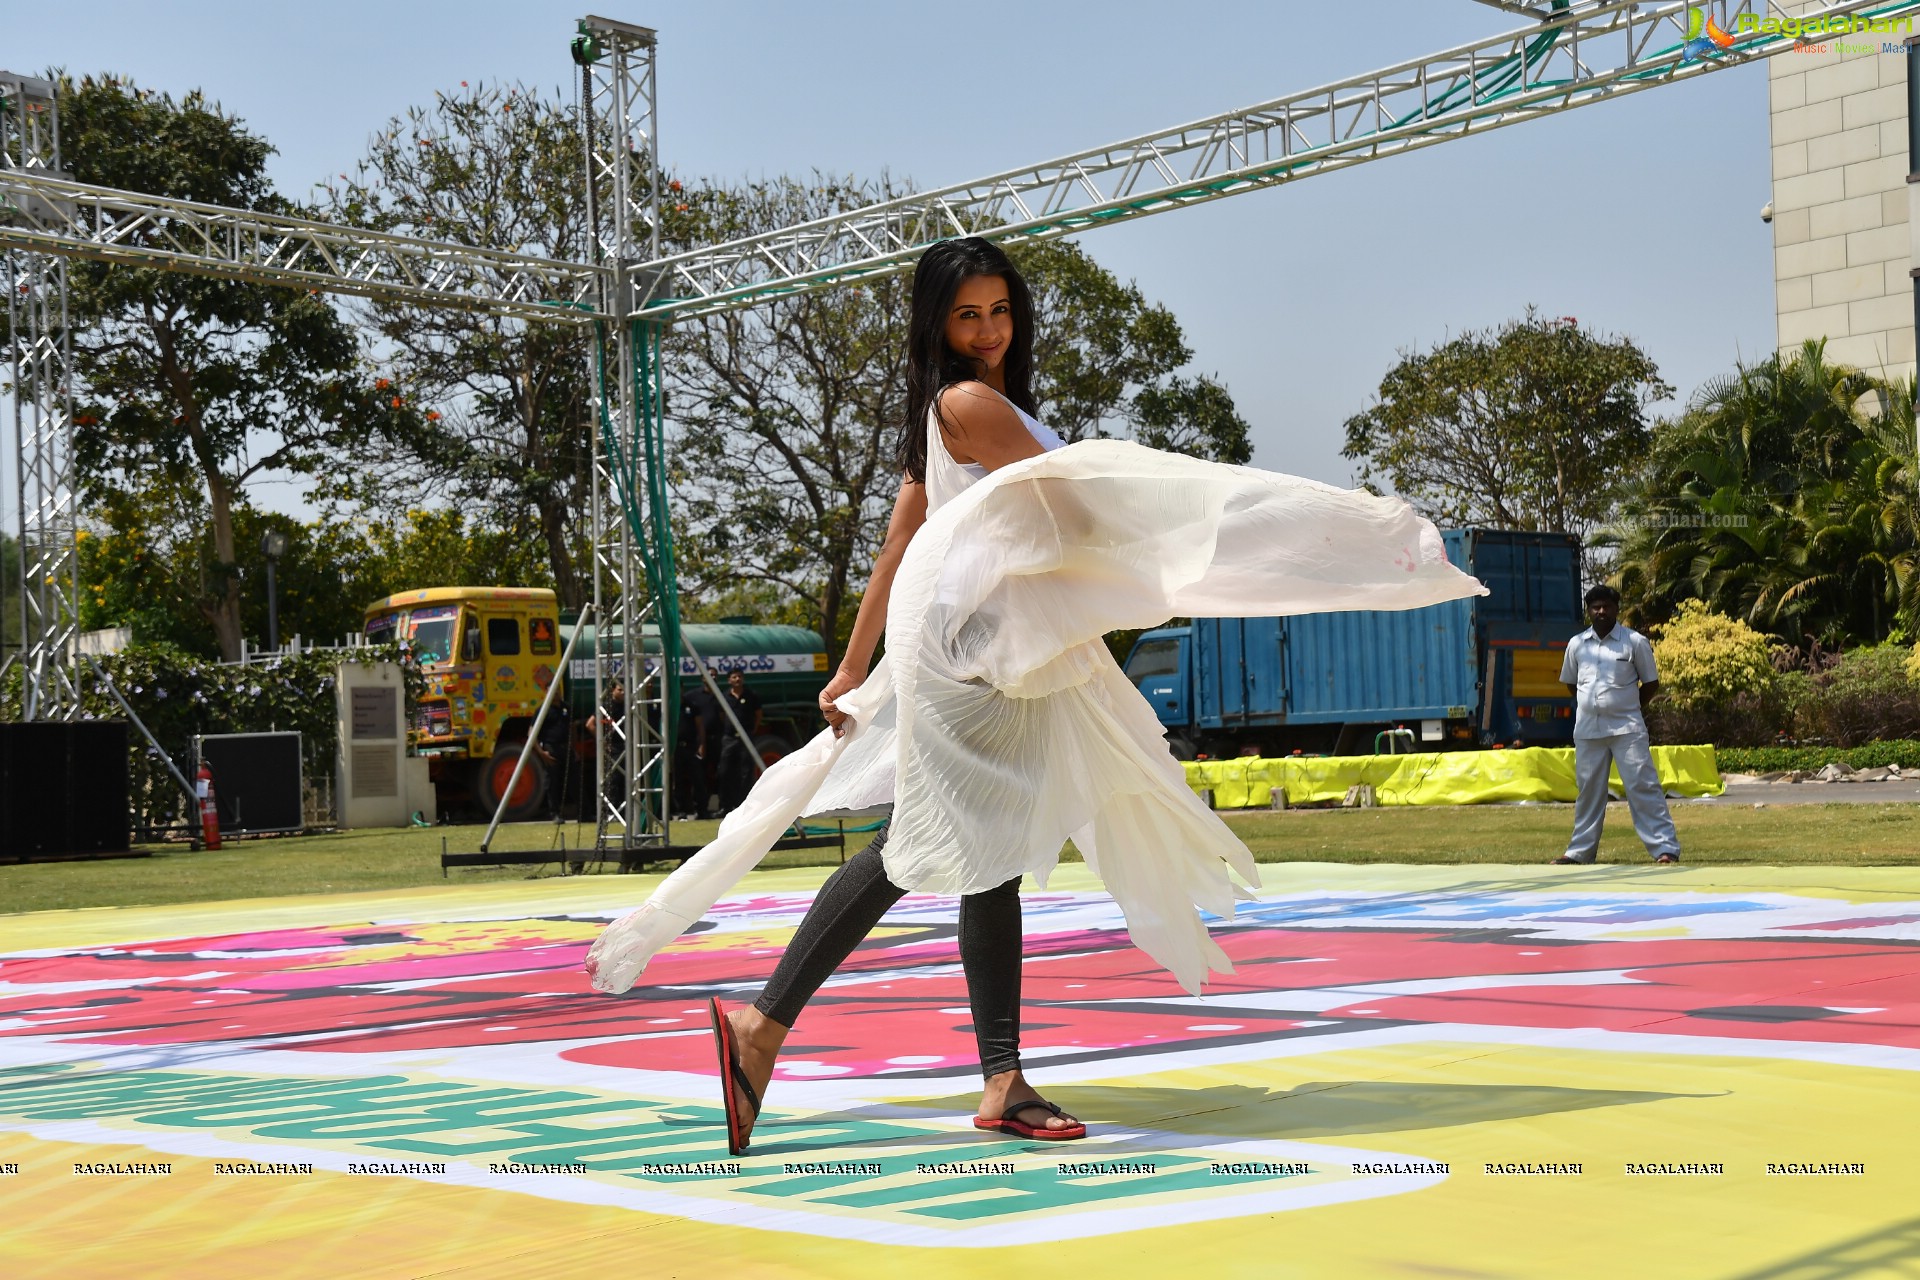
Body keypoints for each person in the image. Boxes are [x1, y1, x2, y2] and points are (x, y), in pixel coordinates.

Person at [585, 237, 1489, 1157]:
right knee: (934, 844)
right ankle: (783, 1033)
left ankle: (976, 1072)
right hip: (980, 656)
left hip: (976, 647)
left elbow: (899, 546)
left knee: (979, 848)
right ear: (938, 324)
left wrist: (853, 666)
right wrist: (1196, 529)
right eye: (967, 315)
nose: (986, 332)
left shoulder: (954, 413)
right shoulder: (972, 404)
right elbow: (1085, 514)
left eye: (999, 311)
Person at [1553, 583, 1681, 866]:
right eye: (1595, 607)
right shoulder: (1577, 644)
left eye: (1606, 607)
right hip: (1588, 729)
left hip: (1627, 728)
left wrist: (1628, 706)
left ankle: (1665, 848)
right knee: (1588, 791)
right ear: (1588, 610)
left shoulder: (1634, 641)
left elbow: (1651, 683)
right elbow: (1571, 685)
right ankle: (1579, 852)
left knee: (1642, 785)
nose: (1601, 611)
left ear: (1616, 609)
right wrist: (1592, 705)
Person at [716, 668, 765, 815]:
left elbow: (758, 715)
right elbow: (721, 715)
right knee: (724, 771)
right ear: (729, 680)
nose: (737, 679)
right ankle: (725, 806)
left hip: (746, 738)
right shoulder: (725, 696)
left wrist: (752, 730)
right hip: (730, 738)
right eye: (734, 677)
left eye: (739, 676)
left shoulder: (751, 695)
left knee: (746, 772)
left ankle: (743, 805)